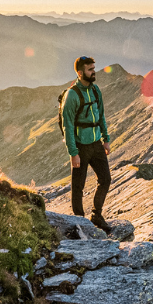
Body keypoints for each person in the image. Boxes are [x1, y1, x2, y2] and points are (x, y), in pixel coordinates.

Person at [63, 55, 110, 226]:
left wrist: (106, 139)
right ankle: (79, 221)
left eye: (93, 69)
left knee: (105, 179)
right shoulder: (72, 96)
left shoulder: (96, 90)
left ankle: (96, 215)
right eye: (90, 70)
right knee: (78, 186)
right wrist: (73, 153)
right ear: (80, 72)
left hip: (96, 144)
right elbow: (67, 126)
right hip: (81, 146)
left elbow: (101, 116)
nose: (93, 72)